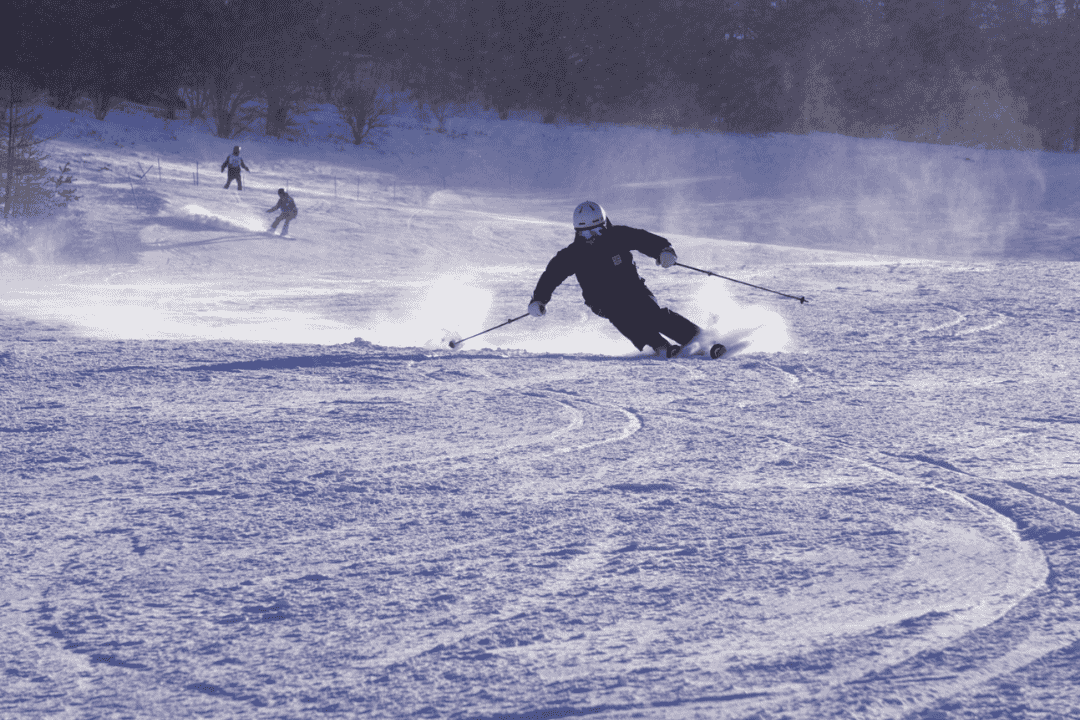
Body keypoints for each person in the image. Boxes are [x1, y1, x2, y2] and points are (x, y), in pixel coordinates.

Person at [528, 201, 707, 357]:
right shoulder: (573, 254)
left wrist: (664, 251)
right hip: (602, 300)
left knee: (652, 314)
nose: (592, 238)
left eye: (596, 231)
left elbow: (644, 239)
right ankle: (659, 346)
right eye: (586, 234)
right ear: (578, 232)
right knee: (621, 315)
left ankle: (698, 338)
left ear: (604, 225)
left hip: (634, 290)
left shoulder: (618, 236)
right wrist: (539, 300)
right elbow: (551, 275)